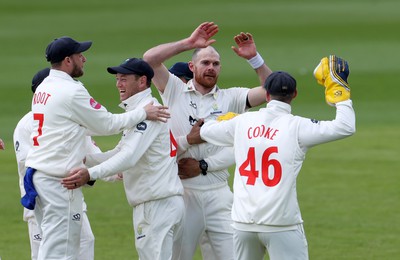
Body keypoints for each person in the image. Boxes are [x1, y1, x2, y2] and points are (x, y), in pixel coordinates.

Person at [23, 37, 169, 260]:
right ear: (67, 61)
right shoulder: (71, 91)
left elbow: (91, 126)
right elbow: (107, 124)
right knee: (62, 253)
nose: (84, 58)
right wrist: (143, 113)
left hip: (39, 177)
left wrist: (93, 162)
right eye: (79, 55)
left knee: (51, 248)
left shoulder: (43, 87)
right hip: (59, 181)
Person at [199, 56, 356, 260]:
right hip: (281, 224)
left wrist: (222, 119)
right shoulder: (298, 126)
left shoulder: (243, 122)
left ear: (266, 95)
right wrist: (339, 91)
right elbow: (345, 126)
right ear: (295, 95)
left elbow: (206, 131)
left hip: (243, 223)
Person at [143, 21, 272, 260]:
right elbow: (149, 59)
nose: (211, 67)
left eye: (215, 64)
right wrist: (188, 43)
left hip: (219, 192)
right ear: (192, 66)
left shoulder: (231, 97)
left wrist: (254, 59)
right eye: (205, 63)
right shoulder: (173, 88)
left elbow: (272, 90)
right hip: (183, 193)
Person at [61, 58, 185, 260]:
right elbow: (120, 152)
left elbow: (128, 157)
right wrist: (84, 161)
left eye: (124, 79)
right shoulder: (141, 111)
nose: (118, 84)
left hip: (157, 205)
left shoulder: (149, 112)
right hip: (161, 203)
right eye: (117, 79)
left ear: (142, 81)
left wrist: (89, 174)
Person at [14, 68, 121, 260]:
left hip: (69, 196)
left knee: (85, 243)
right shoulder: (26, 125)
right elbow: (29, 161)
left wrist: (115, 172)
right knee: (44, 253)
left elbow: (90, 152)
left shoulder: (71, 121)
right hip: (41, 199)